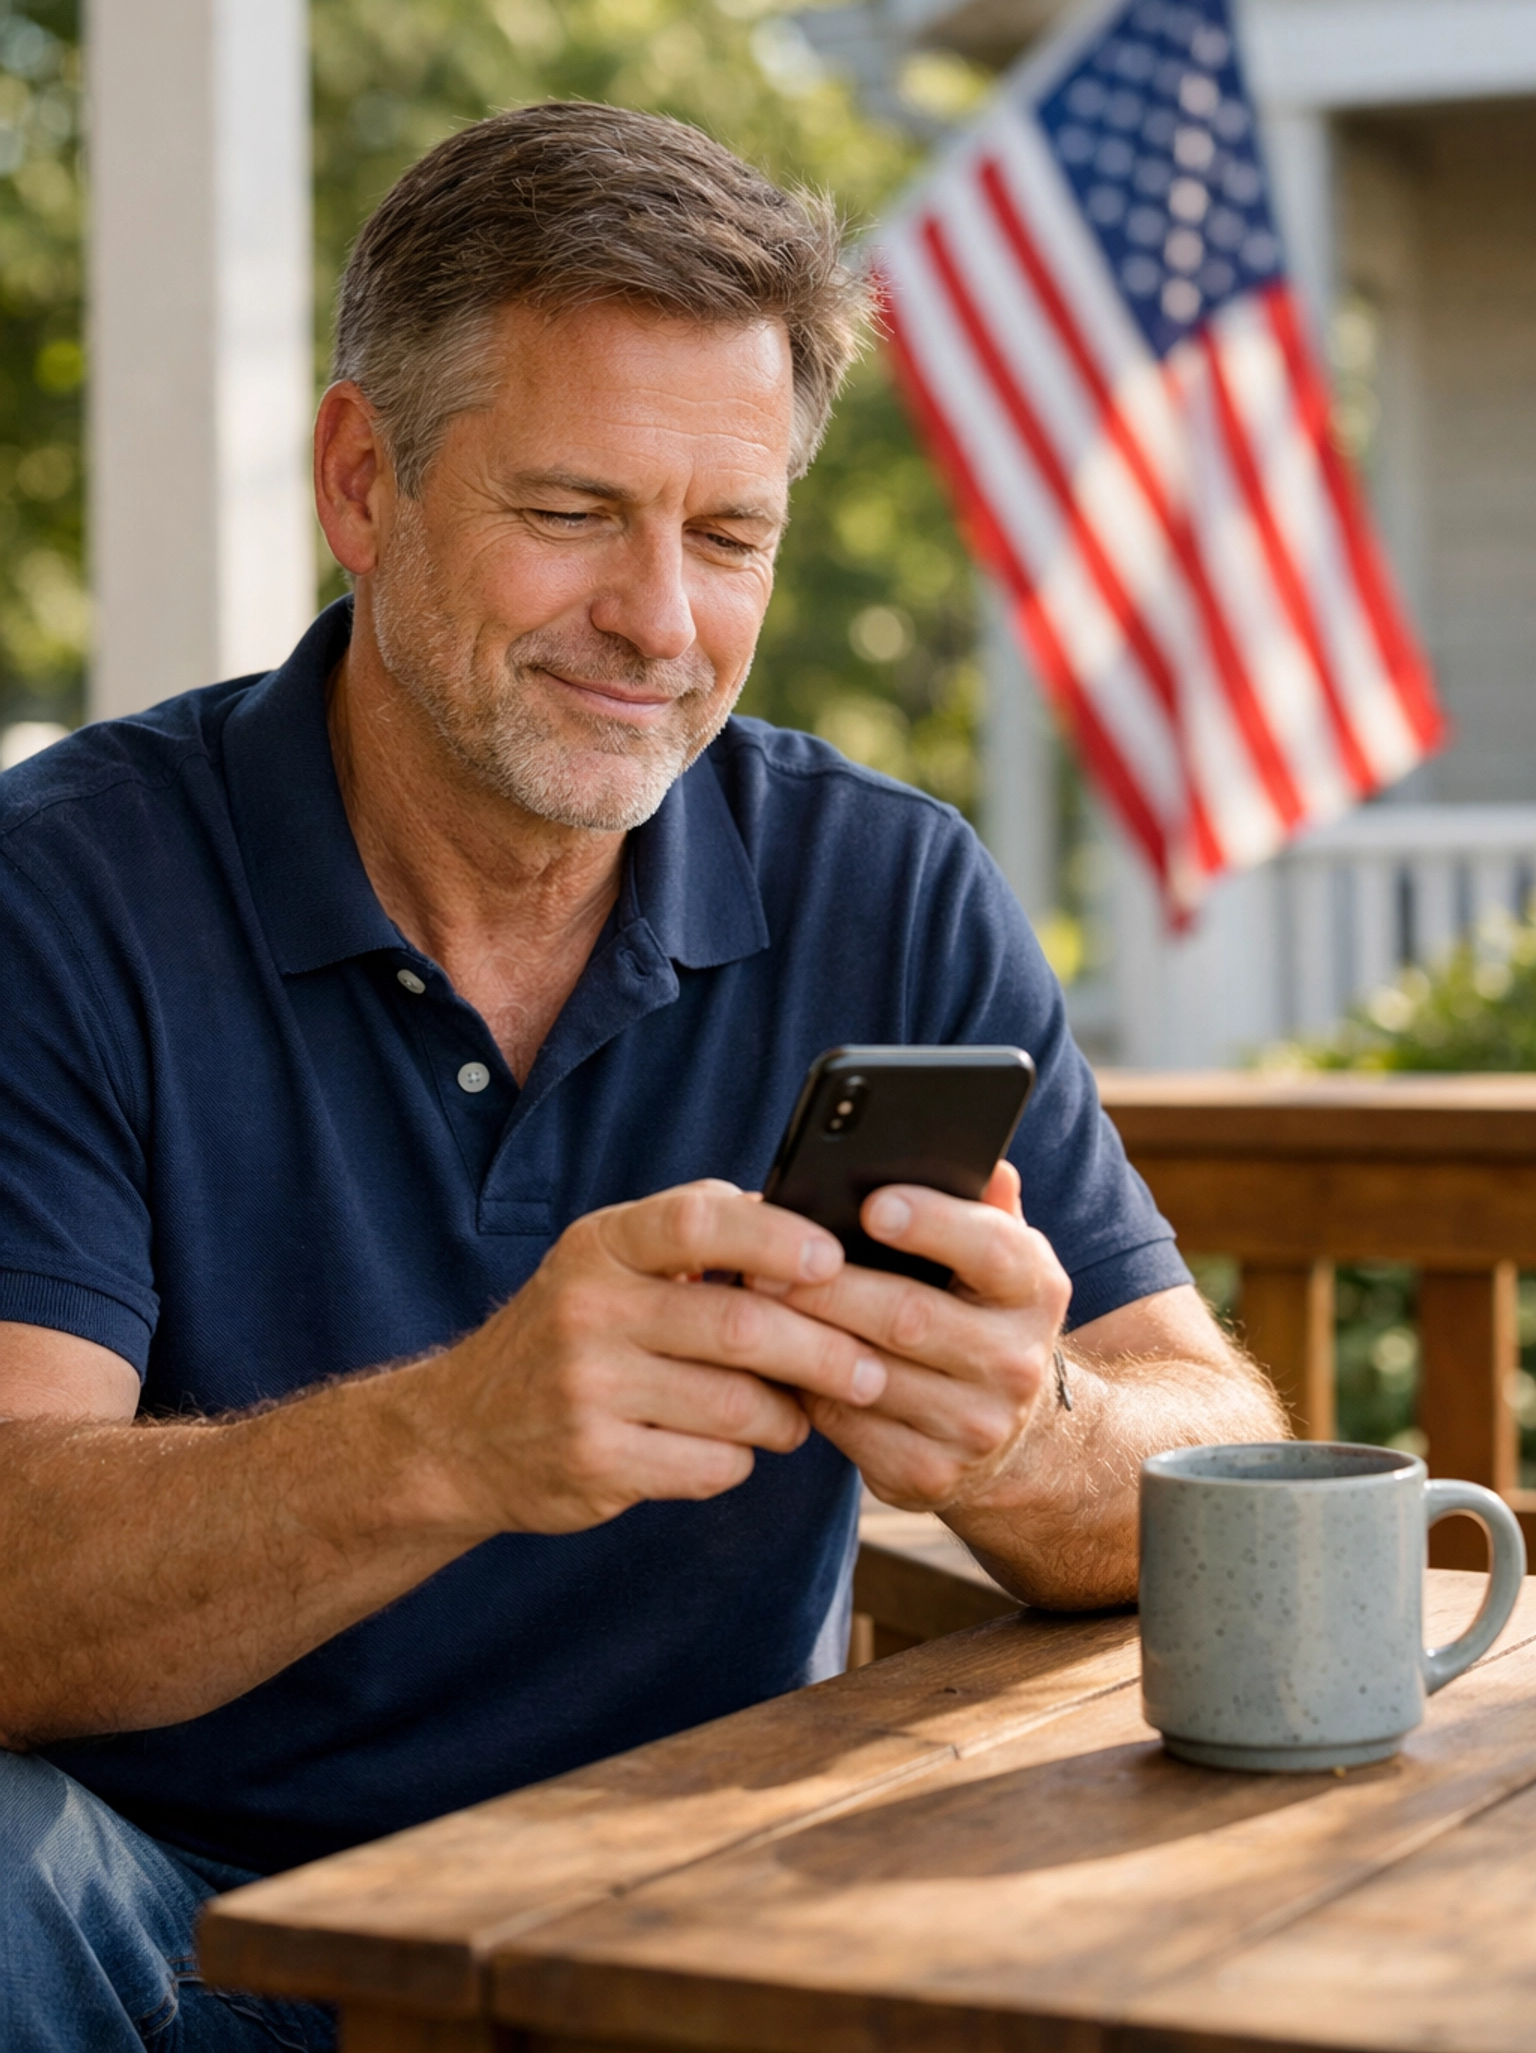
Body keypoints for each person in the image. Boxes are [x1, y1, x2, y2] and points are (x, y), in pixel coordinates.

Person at [0, 103, 1282, 2049]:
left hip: (691, 1944)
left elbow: (1214, 1445)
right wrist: (458, 1439)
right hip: (177, 1954)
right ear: (365, 480)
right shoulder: (67, 892)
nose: (662, 623)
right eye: (574, 512)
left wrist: (1030, 1431)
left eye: (730, 534)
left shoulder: (887, 885)